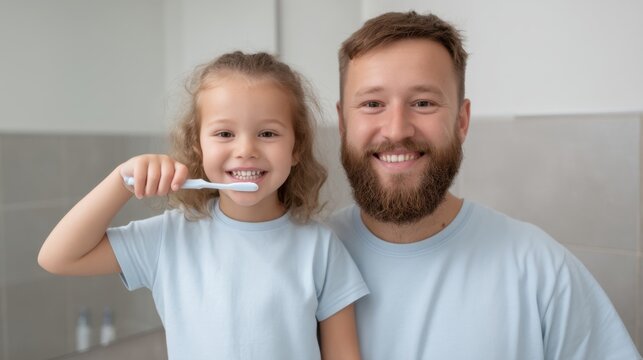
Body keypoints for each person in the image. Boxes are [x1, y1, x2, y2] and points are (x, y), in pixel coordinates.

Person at [328, 11, 641, 360]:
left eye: (423, 103)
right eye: (373, 104)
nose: (397, 129)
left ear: (462, 121)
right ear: (342, 122)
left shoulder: (539, 269)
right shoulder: (305, 261)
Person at [38, 51, 369, 359]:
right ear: (197, 147)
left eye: (267, 134)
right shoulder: (169, 238)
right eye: (224, 134)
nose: (246, 150)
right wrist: (120, 181)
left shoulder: (320, 247)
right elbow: (58, 257)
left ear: (296, 148)